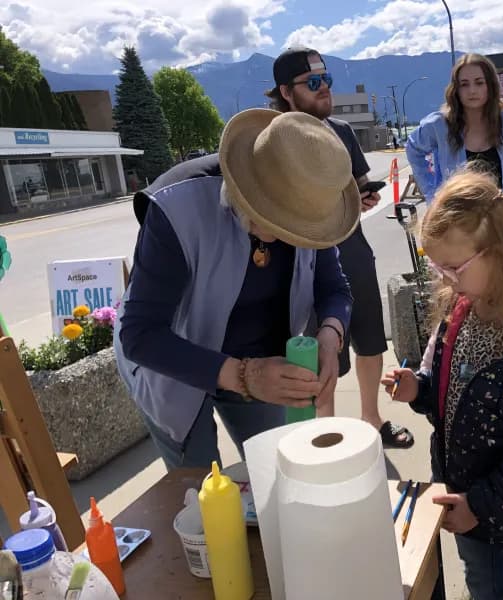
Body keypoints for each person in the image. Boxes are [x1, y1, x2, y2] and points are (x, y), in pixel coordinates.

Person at [114, 109, 358, 470]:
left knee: (275, 471)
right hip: (176, 363)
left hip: (265, 358)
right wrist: (244, 375)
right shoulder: (177, 208)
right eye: (277, 221)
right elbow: (139, 334)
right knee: (201, 491)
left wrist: (329, 336)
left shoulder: (312, 204)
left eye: (299, 227)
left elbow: (335, 289)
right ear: (245, 188)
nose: (290, 237)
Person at [382, 171, 503, 600]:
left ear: (502, 255)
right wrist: (417, 389)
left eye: (454, 267)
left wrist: (482, 505)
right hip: (462, 493)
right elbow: (448, 394)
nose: (446, 279)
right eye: (437, 266)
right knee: (483, 585)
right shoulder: (460, 314)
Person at [266, 47, 414, 448]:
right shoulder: (272, 135)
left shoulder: (342, 132)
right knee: (313, 349)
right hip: (295, 254)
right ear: (286, 90)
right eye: (313, 83)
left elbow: (360, 187)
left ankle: (371, 421)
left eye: (326, 79)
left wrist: (365, 198)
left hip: (349, 245)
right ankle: (324, 434)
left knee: (369, 336)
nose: (324, 89)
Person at [405, 53, 503, 204]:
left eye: (479, 83)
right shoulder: (440, 125)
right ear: (456, 89)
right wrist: (433, 192)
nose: (472, 90)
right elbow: (413, 148)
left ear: (490, 85)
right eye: (464, 84)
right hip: (458, 221)